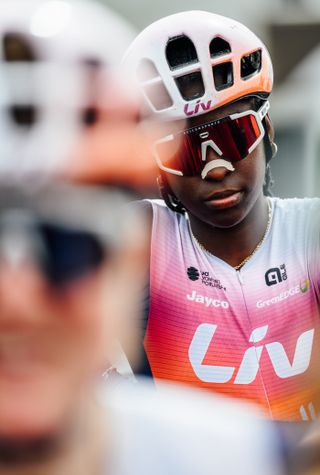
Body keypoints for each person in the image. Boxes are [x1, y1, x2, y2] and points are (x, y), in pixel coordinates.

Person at [0, 2, 285, 475]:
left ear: (126, 265)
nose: (14, 300)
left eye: (62, 247)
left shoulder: (238, 459)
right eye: (188, 153)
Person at [122, 10, 320, 422]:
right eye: (183, 150)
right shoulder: (138, 243)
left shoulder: (312, 232)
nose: (215, 167)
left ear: (267, 131)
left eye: (233, 135)